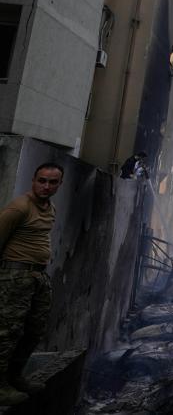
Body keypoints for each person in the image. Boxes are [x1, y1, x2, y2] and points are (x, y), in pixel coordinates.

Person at [0, 163, 63, 405]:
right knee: (7, 332)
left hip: (38, 277)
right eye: (42, 180)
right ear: (33, 180)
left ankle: (14, 377)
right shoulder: (19, 207)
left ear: (59, 184)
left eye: (52, 182)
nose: (46, 186)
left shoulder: (50, 208)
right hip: (15, 277)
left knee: (34, 331)